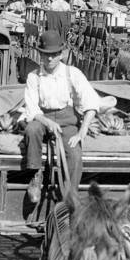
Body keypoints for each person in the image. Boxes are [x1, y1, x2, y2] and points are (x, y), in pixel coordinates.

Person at [23, 30, 101, 203]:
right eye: (45, 55)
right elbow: (32, 108)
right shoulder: (33, 77)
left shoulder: (73, 73)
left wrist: (82, 131)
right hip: (42, 118)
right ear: (40, 55)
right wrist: (47, 122)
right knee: (31, 130)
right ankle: (36, 175)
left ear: (60, 54)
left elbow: (91, 103)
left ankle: (69, 196)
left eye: (53, 55)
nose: (49, 59)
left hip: (67, 121)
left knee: (74, 154)